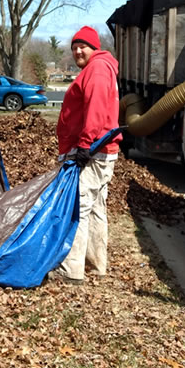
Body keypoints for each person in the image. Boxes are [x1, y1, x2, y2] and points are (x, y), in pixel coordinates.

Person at [52, 25, 122, 284]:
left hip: (93, 152)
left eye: (83, 46)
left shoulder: (97, 69)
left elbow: (95, 110)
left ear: (95, 47)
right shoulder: (100, 68)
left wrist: (84, 145)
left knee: (77, 208)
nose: (78, 51)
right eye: (74, 47)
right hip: (100, 151)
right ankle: (95, 263)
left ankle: (71, 270)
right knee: (95, 208)